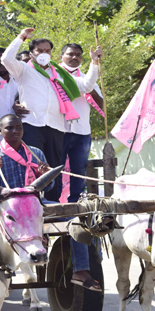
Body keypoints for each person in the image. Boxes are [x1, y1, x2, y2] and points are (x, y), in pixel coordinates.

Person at [0, 115, 101, 292]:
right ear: (0, 131)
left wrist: (42, 175)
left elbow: (48, 186)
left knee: (76, 218)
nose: (15, 131)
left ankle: (80, 271)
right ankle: (2, 269)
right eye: (9, 128)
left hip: (36, 205)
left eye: (18, 127)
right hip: (8, 210)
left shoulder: (35, 154)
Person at [1, 28, 102, 201]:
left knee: (53, 168)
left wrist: (94, 63)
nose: (44, 53)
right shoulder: (24, 70)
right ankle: (31, 201)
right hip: (32, 124)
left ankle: (53, 204)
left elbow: (86, 86)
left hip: (56, 126)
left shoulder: (59, 73)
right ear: (32, 53)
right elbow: (6, 59)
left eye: (47, 50)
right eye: (40, 50)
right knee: (33, 164)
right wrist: (21, 37)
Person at [59, 43, 105, 203]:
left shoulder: (89, 78)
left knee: (79, 169)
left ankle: (76, 204)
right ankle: (53, 203)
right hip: (59, 130)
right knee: (55, 169)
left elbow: (102, 106)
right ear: (61, 56)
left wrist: (90, 88)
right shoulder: (52, 77)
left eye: (78, 55)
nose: (74, 57)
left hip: (82, 131)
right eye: (70, 54)